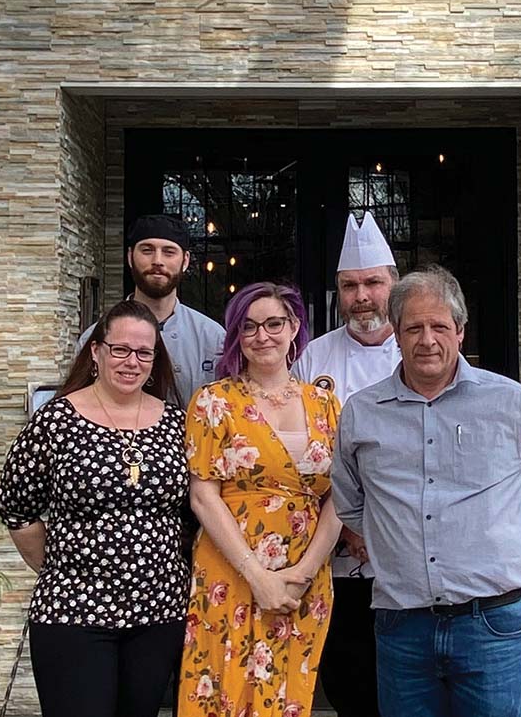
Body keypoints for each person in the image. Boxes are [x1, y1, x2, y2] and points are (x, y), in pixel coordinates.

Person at [331, 266, 521, 717]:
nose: (427, 340)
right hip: (401, 624)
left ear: (460, 332)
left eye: (439, 327)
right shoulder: (362, 413)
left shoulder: (511, 402)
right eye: (413, 327)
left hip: (492, 624)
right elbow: (350, 500)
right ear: (396, 334)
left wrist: (509, 543)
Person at [0, 298, 190, 717]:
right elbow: (17, 507)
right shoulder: (56, 422)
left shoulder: (176, 423)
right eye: (120, 349)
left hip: (158, 612)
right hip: (74, 610)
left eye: (143, 353)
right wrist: (63, 567)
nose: (131, 361)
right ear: (97, 352)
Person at [179, 282, 343, 717]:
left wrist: (302, 574)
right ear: (236, 336)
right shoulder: (212, 402)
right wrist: (257, 575)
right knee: (223, 686)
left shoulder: (326, 404)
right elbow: (202, 495)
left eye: (274, 323)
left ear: (294, 329)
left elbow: (343, 495)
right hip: (230, 568)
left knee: (289, 692)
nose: (262, 336)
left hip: (304, 574)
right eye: (248, 327)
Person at [294, 211, 401, 717]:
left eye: (373, 283)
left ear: (393, 284)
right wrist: (346, 527)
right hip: (334, 555)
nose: (362, 296)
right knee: (346, 677)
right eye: (350, 285)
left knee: (406, 681)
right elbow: (296, 450)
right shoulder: (313, 358)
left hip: (405, 555)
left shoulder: (420, 350)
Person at [77, 213, 225, 410]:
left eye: (169, 252)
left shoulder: (214, 338)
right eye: (147, 250)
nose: (157, 260)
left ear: (186, 260)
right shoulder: (95, 338)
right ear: (130, 257)